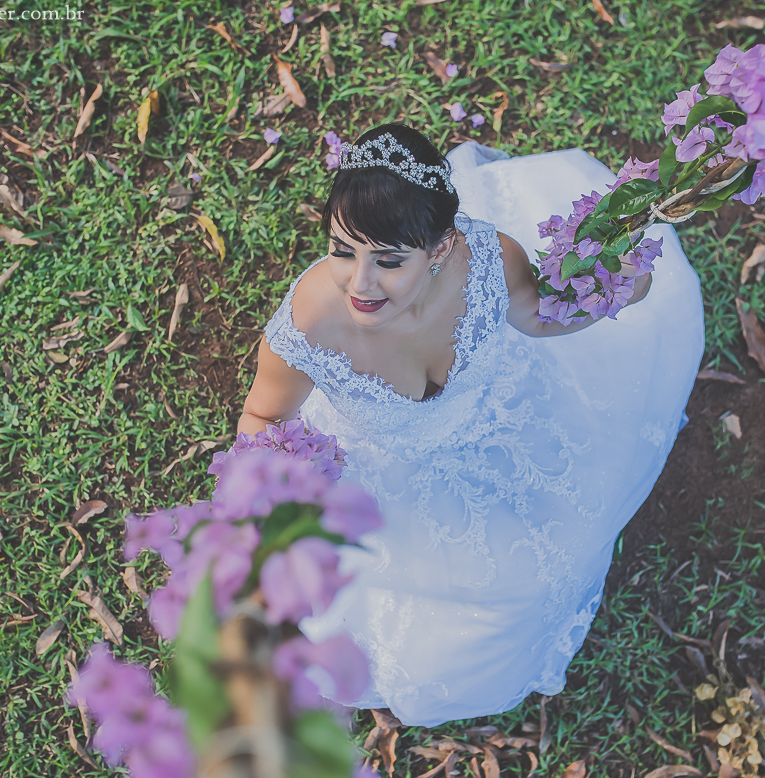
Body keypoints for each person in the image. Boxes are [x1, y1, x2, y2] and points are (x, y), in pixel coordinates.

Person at [238, 123, 704, 726]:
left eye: (388, 261)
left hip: (498, 423)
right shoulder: (310, 323)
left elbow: (537, 317)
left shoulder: (488, 259)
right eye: (342, 249)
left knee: (555, 555)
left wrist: (610, 296)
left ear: (439, 250)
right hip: (388, 474)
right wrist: (281, 482)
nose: (360, 283)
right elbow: (263, 415)